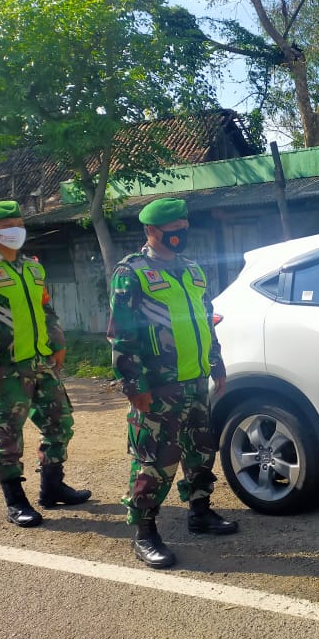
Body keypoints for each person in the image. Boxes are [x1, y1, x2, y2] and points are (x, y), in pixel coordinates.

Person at [108, 197, 237, 569]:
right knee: (154, 459)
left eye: (184, 228)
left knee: (200, 451)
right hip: (158, 385)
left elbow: (205, 318)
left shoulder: (193, 270)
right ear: (151, 230)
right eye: (173, 230)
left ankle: (200, 511)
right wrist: (134, 386)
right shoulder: (130, 272)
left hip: (195, 380)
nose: (181, 235)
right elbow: (121, 335)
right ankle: (145, 532)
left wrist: (217, 365)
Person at [0, 199, 91, 527]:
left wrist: (57, 341)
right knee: (7, 434)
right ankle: (15, 501)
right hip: (4, 367)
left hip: (41, 361)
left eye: (19, 223)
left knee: (61, 423)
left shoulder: (32, 267)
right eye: (8, 227)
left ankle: (52, 487)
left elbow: (45, 308)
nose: (18, 231)